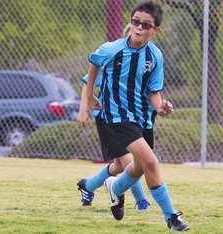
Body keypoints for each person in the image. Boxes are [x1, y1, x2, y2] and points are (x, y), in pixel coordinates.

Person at [84, 1, 189, 231]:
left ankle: (116, 188)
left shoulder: (155, 56)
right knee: (151, 161)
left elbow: (153, 91)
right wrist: (90, 96)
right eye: (135, 22)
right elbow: (94, 62)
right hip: (117, 116)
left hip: (142, 117)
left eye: (146, 24)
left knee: (140, 167)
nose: (139, 27)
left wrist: (160, 107)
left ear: (155, 30)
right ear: (130, 23)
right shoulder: (113, 49)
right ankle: (171, 217)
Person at [77, 23, 158, 211]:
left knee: (119, 167)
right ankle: (142, 201)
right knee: (132, 162)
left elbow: (147, 92)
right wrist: (84, 109)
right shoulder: (113, 59)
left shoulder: (145, 63)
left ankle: (87, 186)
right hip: (108, 119)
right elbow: (87, 83)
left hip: (129, 119)